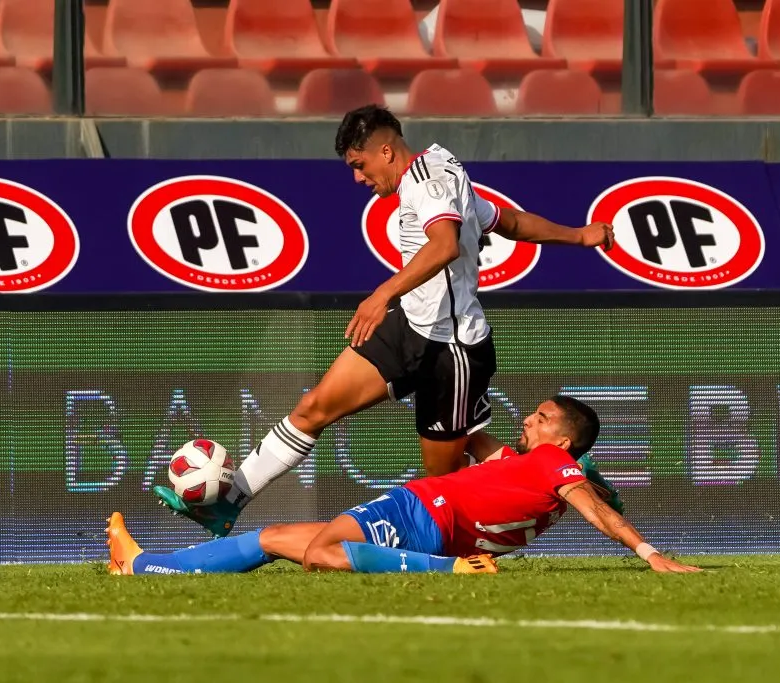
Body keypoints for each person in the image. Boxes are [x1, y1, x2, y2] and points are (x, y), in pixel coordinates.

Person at [152, 105, 616, 538]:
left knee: (444, 482)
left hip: (450, 353)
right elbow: (506, 221)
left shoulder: (430, 182)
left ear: (386, 150)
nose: (358, 178)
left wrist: (381, 293)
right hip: (410, 326)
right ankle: (229, 500)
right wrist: (579, 235)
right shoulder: (438, 173)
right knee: (314, 408)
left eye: (360, 165)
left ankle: (566, 480)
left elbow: (444, 246)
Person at [111, 396, 701, 575]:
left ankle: (453, 574)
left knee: (319, 551)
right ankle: (143, 566)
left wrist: (650, 555)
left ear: (564, 443)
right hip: (435, 524)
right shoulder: (530, 462)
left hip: (423, 512)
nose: (530, 419)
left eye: (542, 420)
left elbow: (596, 511)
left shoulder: (554, 467)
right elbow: (471, 436)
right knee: (274, 535)